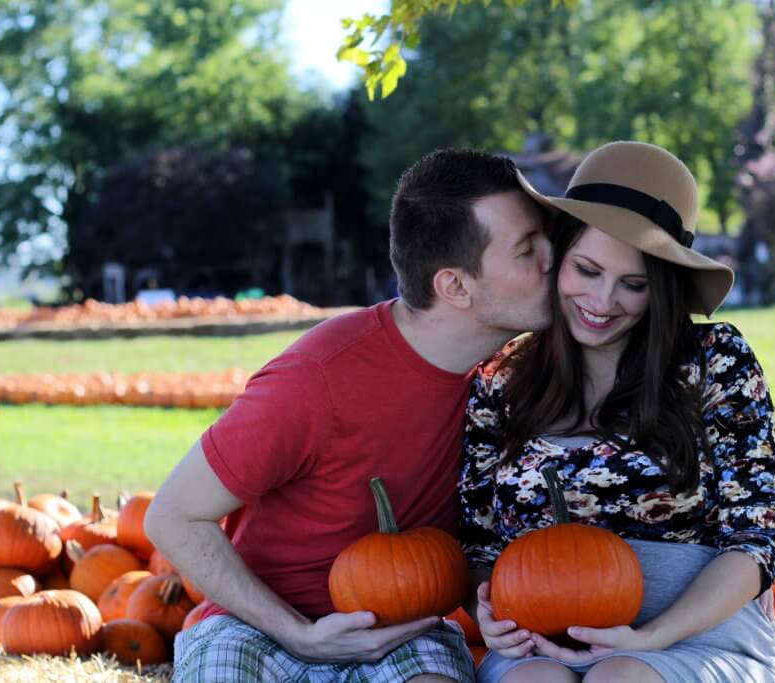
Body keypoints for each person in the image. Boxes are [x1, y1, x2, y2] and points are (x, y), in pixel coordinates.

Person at [146, 148, 554, 683]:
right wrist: (298, 634)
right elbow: (173, 516)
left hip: (404, 624)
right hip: (263, 626)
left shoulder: (511, 378)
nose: (554, 257)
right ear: (455, 286)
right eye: (528, 249)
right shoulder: (318, 378)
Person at [458, 141, 775, 683]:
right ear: (557, 256)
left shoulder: (715, 362)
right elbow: (478, 543)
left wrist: (650, 638)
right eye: (586, 270)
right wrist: (488, 614)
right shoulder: (503, 378)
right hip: (540, 641)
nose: (602, 300)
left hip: (695, 633)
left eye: (633, 285)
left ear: (660, 287)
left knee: (620, 677)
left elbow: (754, 539)